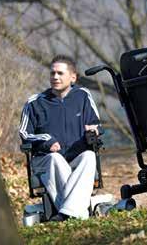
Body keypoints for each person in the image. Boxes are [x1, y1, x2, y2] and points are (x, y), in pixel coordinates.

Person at [19, 55, 101, 221]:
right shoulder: (35, 102)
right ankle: (77, 213)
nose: (55, 77)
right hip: (46, 159)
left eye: (60, 73)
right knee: (56, 159)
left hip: (74, 157)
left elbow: (97, 124)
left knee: (89, 156)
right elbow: (24, 134)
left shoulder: (83, 96)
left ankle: (66, 213)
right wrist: (47, 141)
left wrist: (95, 130)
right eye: (52, 73)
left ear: (73, 77)